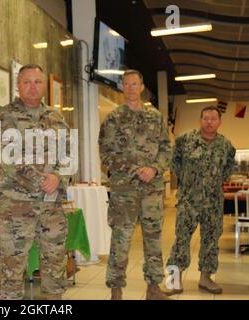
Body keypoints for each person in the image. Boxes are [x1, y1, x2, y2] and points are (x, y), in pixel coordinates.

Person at [0, 64, 71, 300]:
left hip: (51, 205)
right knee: (12, 268)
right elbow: (9, 158)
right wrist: (41, 181)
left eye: (37, 81)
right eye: (27, 82)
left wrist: (59, 177)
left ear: (44, 86)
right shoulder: (4, 116)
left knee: (55, 263)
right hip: (16, 206)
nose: (32, 87)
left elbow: (68, 153)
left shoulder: (56, 117)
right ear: (17, 86)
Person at [99, 69, 172, 300]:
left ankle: (153, 287)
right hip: (124, 190)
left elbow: (166, 148)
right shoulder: (113, 118)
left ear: (142, 87)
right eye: (126, 84)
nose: (130, 88)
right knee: (121, 238)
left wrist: (155, 169)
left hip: (152, 188)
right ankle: (116, 289)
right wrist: (134, 170)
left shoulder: (156, 117)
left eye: (135, 84)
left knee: (153, 236)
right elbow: (106, 154)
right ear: (122, 87)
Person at [166, 106, 235, 295]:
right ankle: (174, 279)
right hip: (188, 201)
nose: (209, 121)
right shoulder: (184, 140)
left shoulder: (226, 145)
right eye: (206, 118)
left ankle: (206, 278)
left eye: (213, 118)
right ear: (200, 120)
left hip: (213, 203)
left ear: (219, 122)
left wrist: (213, 182)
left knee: (211, 240)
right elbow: (174, 163)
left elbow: (229, 168)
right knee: (181, 239)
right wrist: (189, 182)